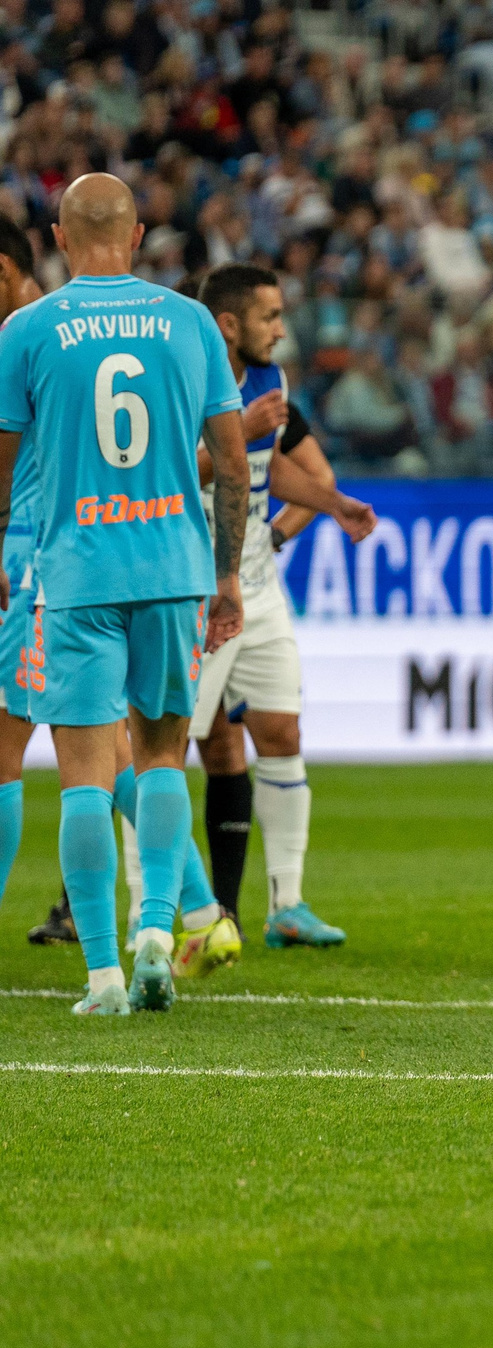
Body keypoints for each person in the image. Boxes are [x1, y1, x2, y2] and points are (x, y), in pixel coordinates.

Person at [0, 173, 250, 1014]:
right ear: (138, 235)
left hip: (76, 574)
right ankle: (159, 928)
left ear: (61, 240)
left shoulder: (27, 331)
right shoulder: (189, 323)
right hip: (173, 568)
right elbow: (235, 457)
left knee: (80, 778)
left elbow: (2, 470)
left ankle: (104, 974)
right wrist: (224, 574)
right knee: (159, 755)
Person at [191, 261, 376, 949]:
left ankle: (287, 907)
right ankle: (148, 913)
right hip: (197, 588)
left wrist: (332, 504)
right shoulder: (186, 371)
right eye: (270, 316)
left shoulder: (273, 380)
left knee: (282, 734)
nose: (282, 328)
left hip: (260, 586)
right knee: (163, 743)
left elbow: (268, 466)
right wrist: (238, 429)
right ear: (230, 324)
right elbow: (174, 468)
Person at [0, 215, 43, 929]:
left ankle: (191, 902)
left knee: (5, 743)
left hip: (28, 559)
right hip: (58, 553)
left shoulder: (27, 338)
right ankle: (190, 903)